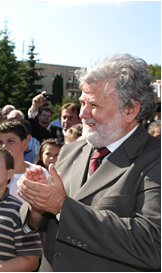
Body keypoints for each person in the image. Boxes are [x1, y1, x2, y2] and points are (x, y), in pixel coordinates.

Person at [18, 54, 161, 271]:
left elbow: (153, 245)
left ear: (131, 110)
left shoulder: (155, 158)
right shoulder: (70, 151)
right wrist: (37, 206)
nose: (83, 114)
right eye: (82, 102)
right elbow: (42, 223)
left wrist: (61, 207)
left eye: (94, 104)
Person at [0, 120, 49, 201]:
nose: (4, 146)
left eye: (11, 141)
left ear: (24, 144)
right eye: (0, 142)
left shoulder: (39, 173)